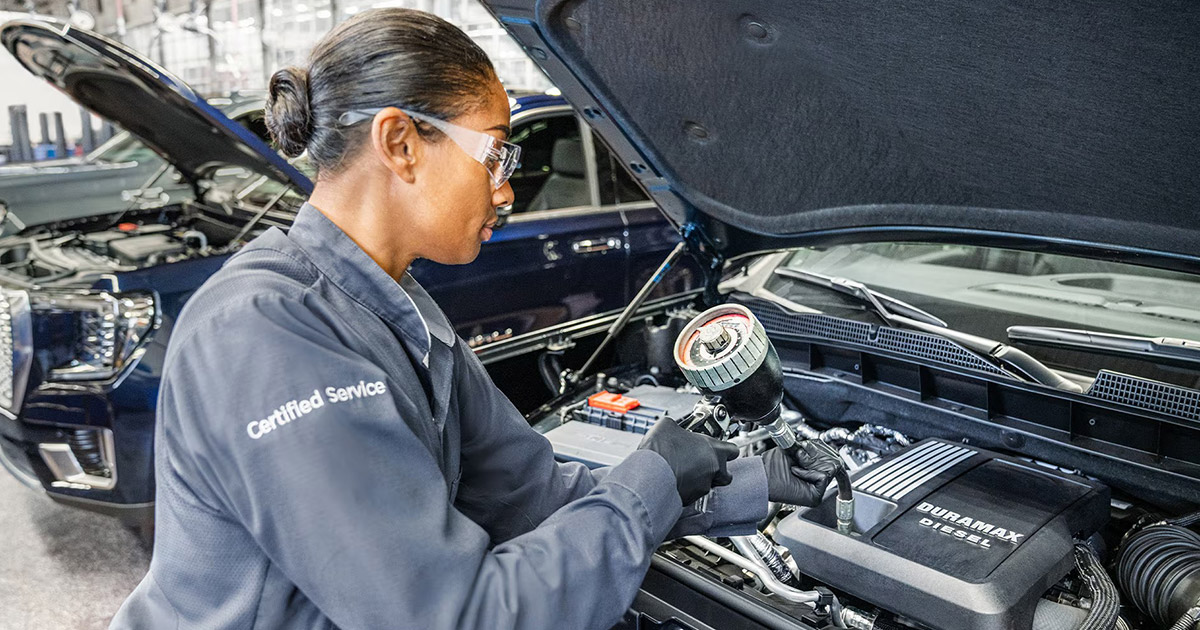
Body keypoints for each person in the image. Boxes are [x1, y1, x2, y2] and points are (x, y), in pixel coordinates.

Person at [111, 9, 838, 630]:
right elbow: (454, 615)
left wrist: (743, 481)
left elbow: (535, 497)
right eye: (496, 153)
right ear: (400, 144)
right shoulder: (267, 335)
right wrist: (647, 481)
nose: (507, 189)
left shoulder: (399, 310)